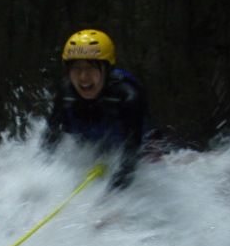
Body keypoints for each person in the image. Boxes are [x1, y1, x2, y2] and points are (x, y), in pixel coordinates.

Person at [45, 28, 162, 186]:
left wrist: (112, 193)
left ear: (107, 70)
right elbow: (49, 141)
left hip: (139, 145)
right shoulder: (65, 94)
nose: (83, 77)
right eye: (76, 68)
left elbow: (131, 153)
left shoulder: (128, 95)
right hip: (98, 141)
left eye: (91, 68)